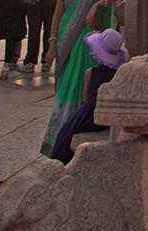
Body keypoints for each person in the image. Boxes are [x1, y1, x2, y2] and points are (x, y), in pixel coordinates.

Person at [39, 0, 125, 156]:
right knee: (65, 83)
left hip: (87, 46)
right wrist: (51, 44)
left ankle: (74, 128)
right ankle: (58, 135)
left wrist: (97, 5)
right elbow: (57, 17)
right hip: (66, 43)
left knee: (80, 85)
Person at [48, 28, 130, 165]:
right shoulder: (117, 76)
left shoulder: (90, 72)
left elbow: (85, 97)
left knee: (66, 132)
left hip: (87, 114)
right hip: (103, 115)